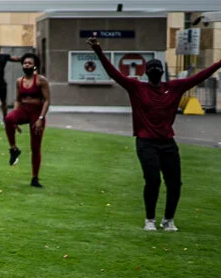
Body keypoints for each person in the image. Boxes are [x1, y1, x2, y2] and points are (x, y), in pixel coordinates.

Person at [88, 37, 221, 231]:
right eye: (152, 69)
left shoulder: (174, 88)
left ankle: (168, 220)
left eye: (157, 69)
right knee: (153, 181)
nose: (155, 72)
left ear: (161, 73)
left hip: (167, 142)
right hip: (146, 142)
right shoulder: (137, 88)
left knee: (175, 183)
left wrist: (218, 63)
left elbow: (199, 77)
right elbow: (114, 74)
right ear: (146, 73)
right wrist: (98, 51)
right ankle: (149, 219)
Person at [3, 53, 50, 188]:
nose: (27, 65)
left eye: (29, 63)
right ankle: (14, 149)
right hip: (24, 110)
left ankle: (35, 178)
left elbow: (47, 101)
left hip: (37, 113)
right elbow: (18, 100)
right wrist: (15, 118)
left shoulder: (41, 80)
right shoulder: (19, 81)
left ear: (34, 65)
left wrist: (41, 118)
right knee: (8, 118)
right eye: (24, 63)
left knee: (35, 147)